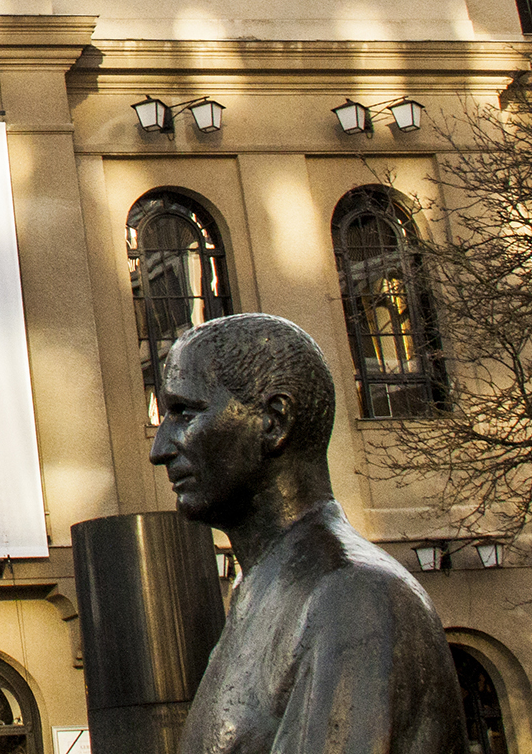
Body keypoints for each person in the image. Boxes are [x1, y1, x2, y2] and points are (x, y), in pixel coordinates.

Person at [150, 313, 466, 754]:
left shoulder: (352, 596)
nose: (159, 449)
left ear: (274, 421)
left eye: (185, 412)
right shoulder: (267, 593)